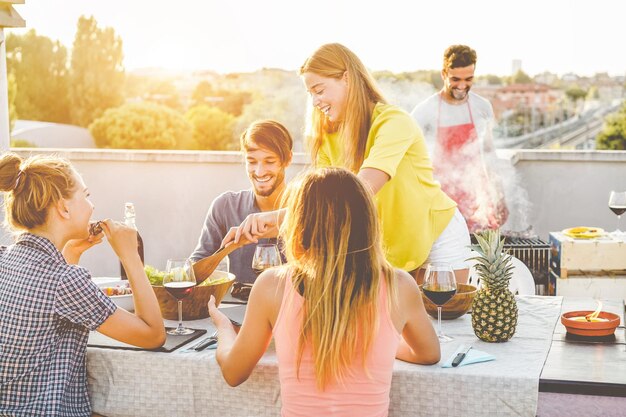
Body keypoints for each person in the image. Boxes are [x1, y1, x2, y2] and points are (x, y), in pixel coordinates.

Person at [224, 43, 470, 284]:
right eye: (311, 94)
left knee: (444, 320)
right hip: (391, 246)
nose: (316, 102)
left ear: (347, 78)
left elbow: (359, 192)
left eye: (319, 90)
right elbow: (322, 207)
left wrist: (277, 218)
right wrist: (273, 222)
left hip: (437, 234)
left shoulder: (393, 122)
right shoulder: (328, 140)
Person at [208, 167, 440, 416]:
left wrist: (223, 326)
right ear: (368, 222)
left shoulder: (271, 286)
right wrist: (381, 343)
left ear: (298, 226)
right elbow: (428, 353)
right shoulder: (400, 286)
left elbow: (233, 373)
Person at [0, 153, 165, 417]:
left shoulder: (5, 259)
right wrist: (130, 255)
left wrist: (72, 251)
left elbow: (48, 308)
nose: (91, 205)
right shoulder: (65, 280)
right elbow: (153, 335)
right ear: (64, 208)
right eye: (85, 195)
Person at [411, 44, 509, 233]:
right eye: (455, 79)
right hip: (439, 198)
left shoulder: (482, 107)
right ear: (443, 74)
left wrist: (499, 196)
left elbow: (489, 153)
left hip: (476, 197)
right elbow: (411, 160)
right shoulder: (424, 112)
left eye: (468, 79)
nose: (462, 85)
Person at [190, 119, 293, 284]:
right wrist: (229, 248)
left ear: (287, 160)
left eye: (269, 161)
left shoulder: (308, 210)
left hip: (291, 306)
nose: (259, 171)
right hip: (236, 307)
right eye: (252, 161)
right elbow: (194, 272)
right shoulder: (225, 206)